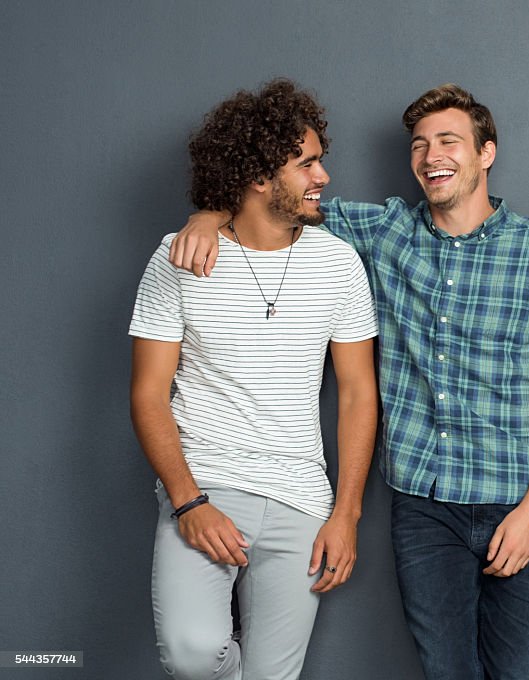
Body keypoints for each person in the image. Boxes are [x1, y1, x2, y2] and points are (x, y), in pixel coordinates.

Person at [171, 83, 529, 680]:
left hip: (517, 503)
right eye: (419, 145)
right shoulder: (385, 232)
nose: (430, 157)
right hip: (424, 510)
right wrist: (207, 214)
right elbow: (276, 199)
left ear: (486, 153)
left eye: (449, 141)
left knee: (515, 673)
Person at [129, 79, 378, 680]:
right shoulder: (180, 257)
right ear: (260, 177)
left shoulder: (338, 262)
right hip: (207, 487)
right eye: (307, 164)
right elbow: (147, 393)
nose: (323, 176)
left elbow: (357, 394)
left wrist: (346, 514)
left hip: (303, 502)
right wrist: (188, 501)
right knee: (193, 654)